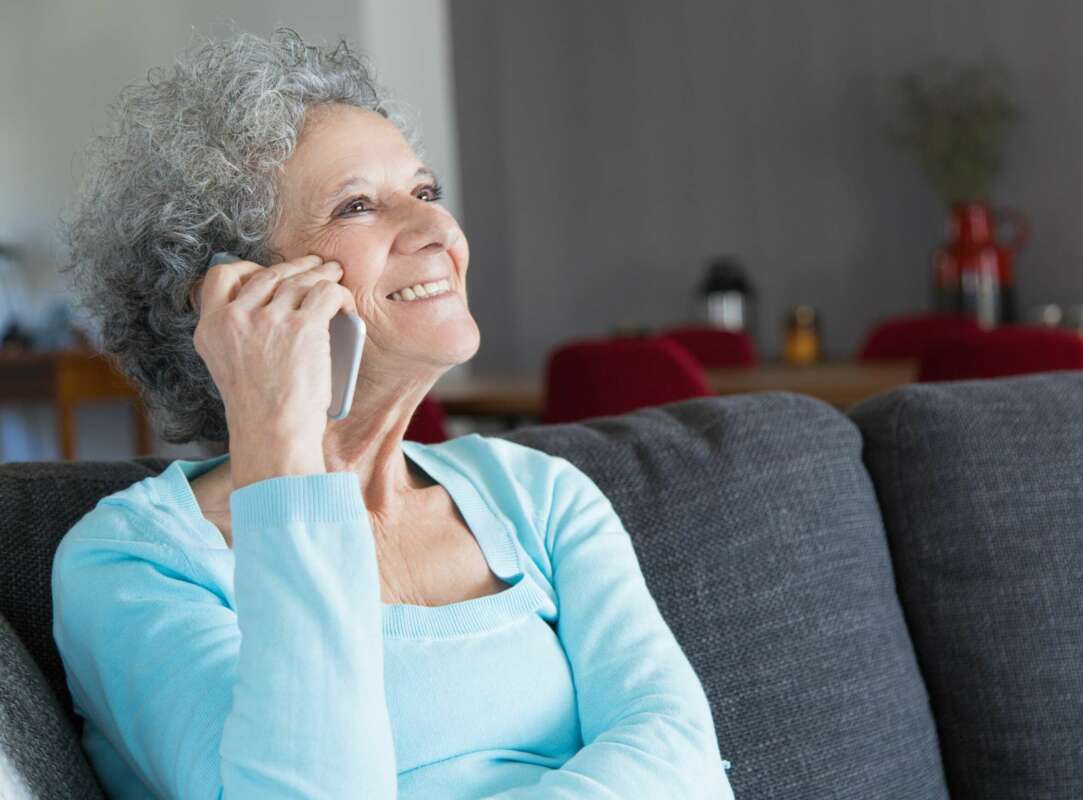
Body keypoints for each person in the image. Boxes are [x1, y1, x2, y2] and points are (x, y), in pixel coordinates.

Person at [50, 27, 734, 799]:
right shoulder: (135, 561)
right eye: (356, 206)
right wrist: (281, 446)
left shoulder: (538, 497)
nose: (437, 231)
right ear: (232, 299)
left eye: (425, 192)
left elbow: (682, 760)